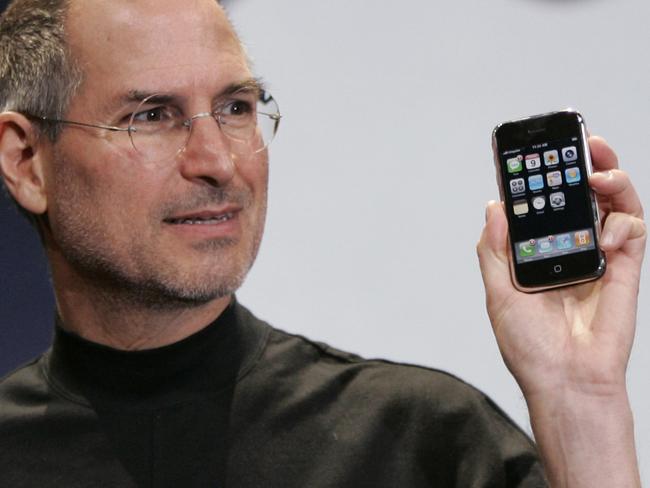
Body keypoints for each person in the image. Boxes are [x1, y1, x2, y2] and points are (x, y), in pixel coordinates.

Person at [0, 0, 645, 486]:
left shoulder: (422, 443)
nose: (218, 162)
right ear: (27, 161)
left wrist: (580, 400)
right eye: (152, 116)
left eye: (236, 107)